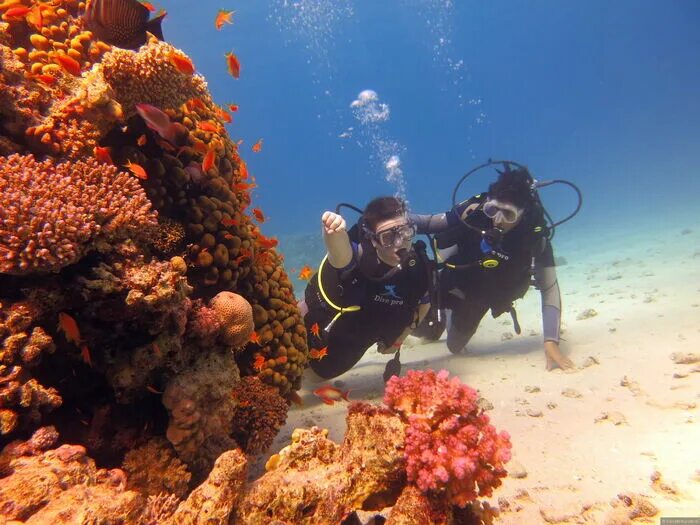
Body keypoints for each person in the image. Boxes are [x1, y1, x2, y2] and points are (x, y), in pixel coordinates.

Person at [414, 164, 575, 371]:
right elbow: (428, 223)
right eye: (493, 209)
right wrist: (391, 222)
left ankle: (444, 319)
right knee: (419, 324)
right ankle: (436, 313)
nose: (497, 220)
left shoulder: (534, 237)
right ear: (487, 203)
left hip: (481, 297)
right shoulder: (474, 210)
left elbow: (550, 288)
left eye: (508, 215)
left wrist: (551, 342)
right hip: (456, 279)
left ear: (523, 213)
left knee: (454, 346)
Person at [300, 196, 433, 380]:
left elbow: (424, 305)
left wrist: (399, 341)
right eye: (387, 237)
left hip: (355, 339)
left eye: (404, 232)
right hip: (320, 316)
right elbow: (340, 256)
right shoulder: (360, 257)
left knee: (319, 376)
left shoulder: (417, 269)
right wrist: (333, 233)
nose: (399, 243)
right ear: (373, 240)